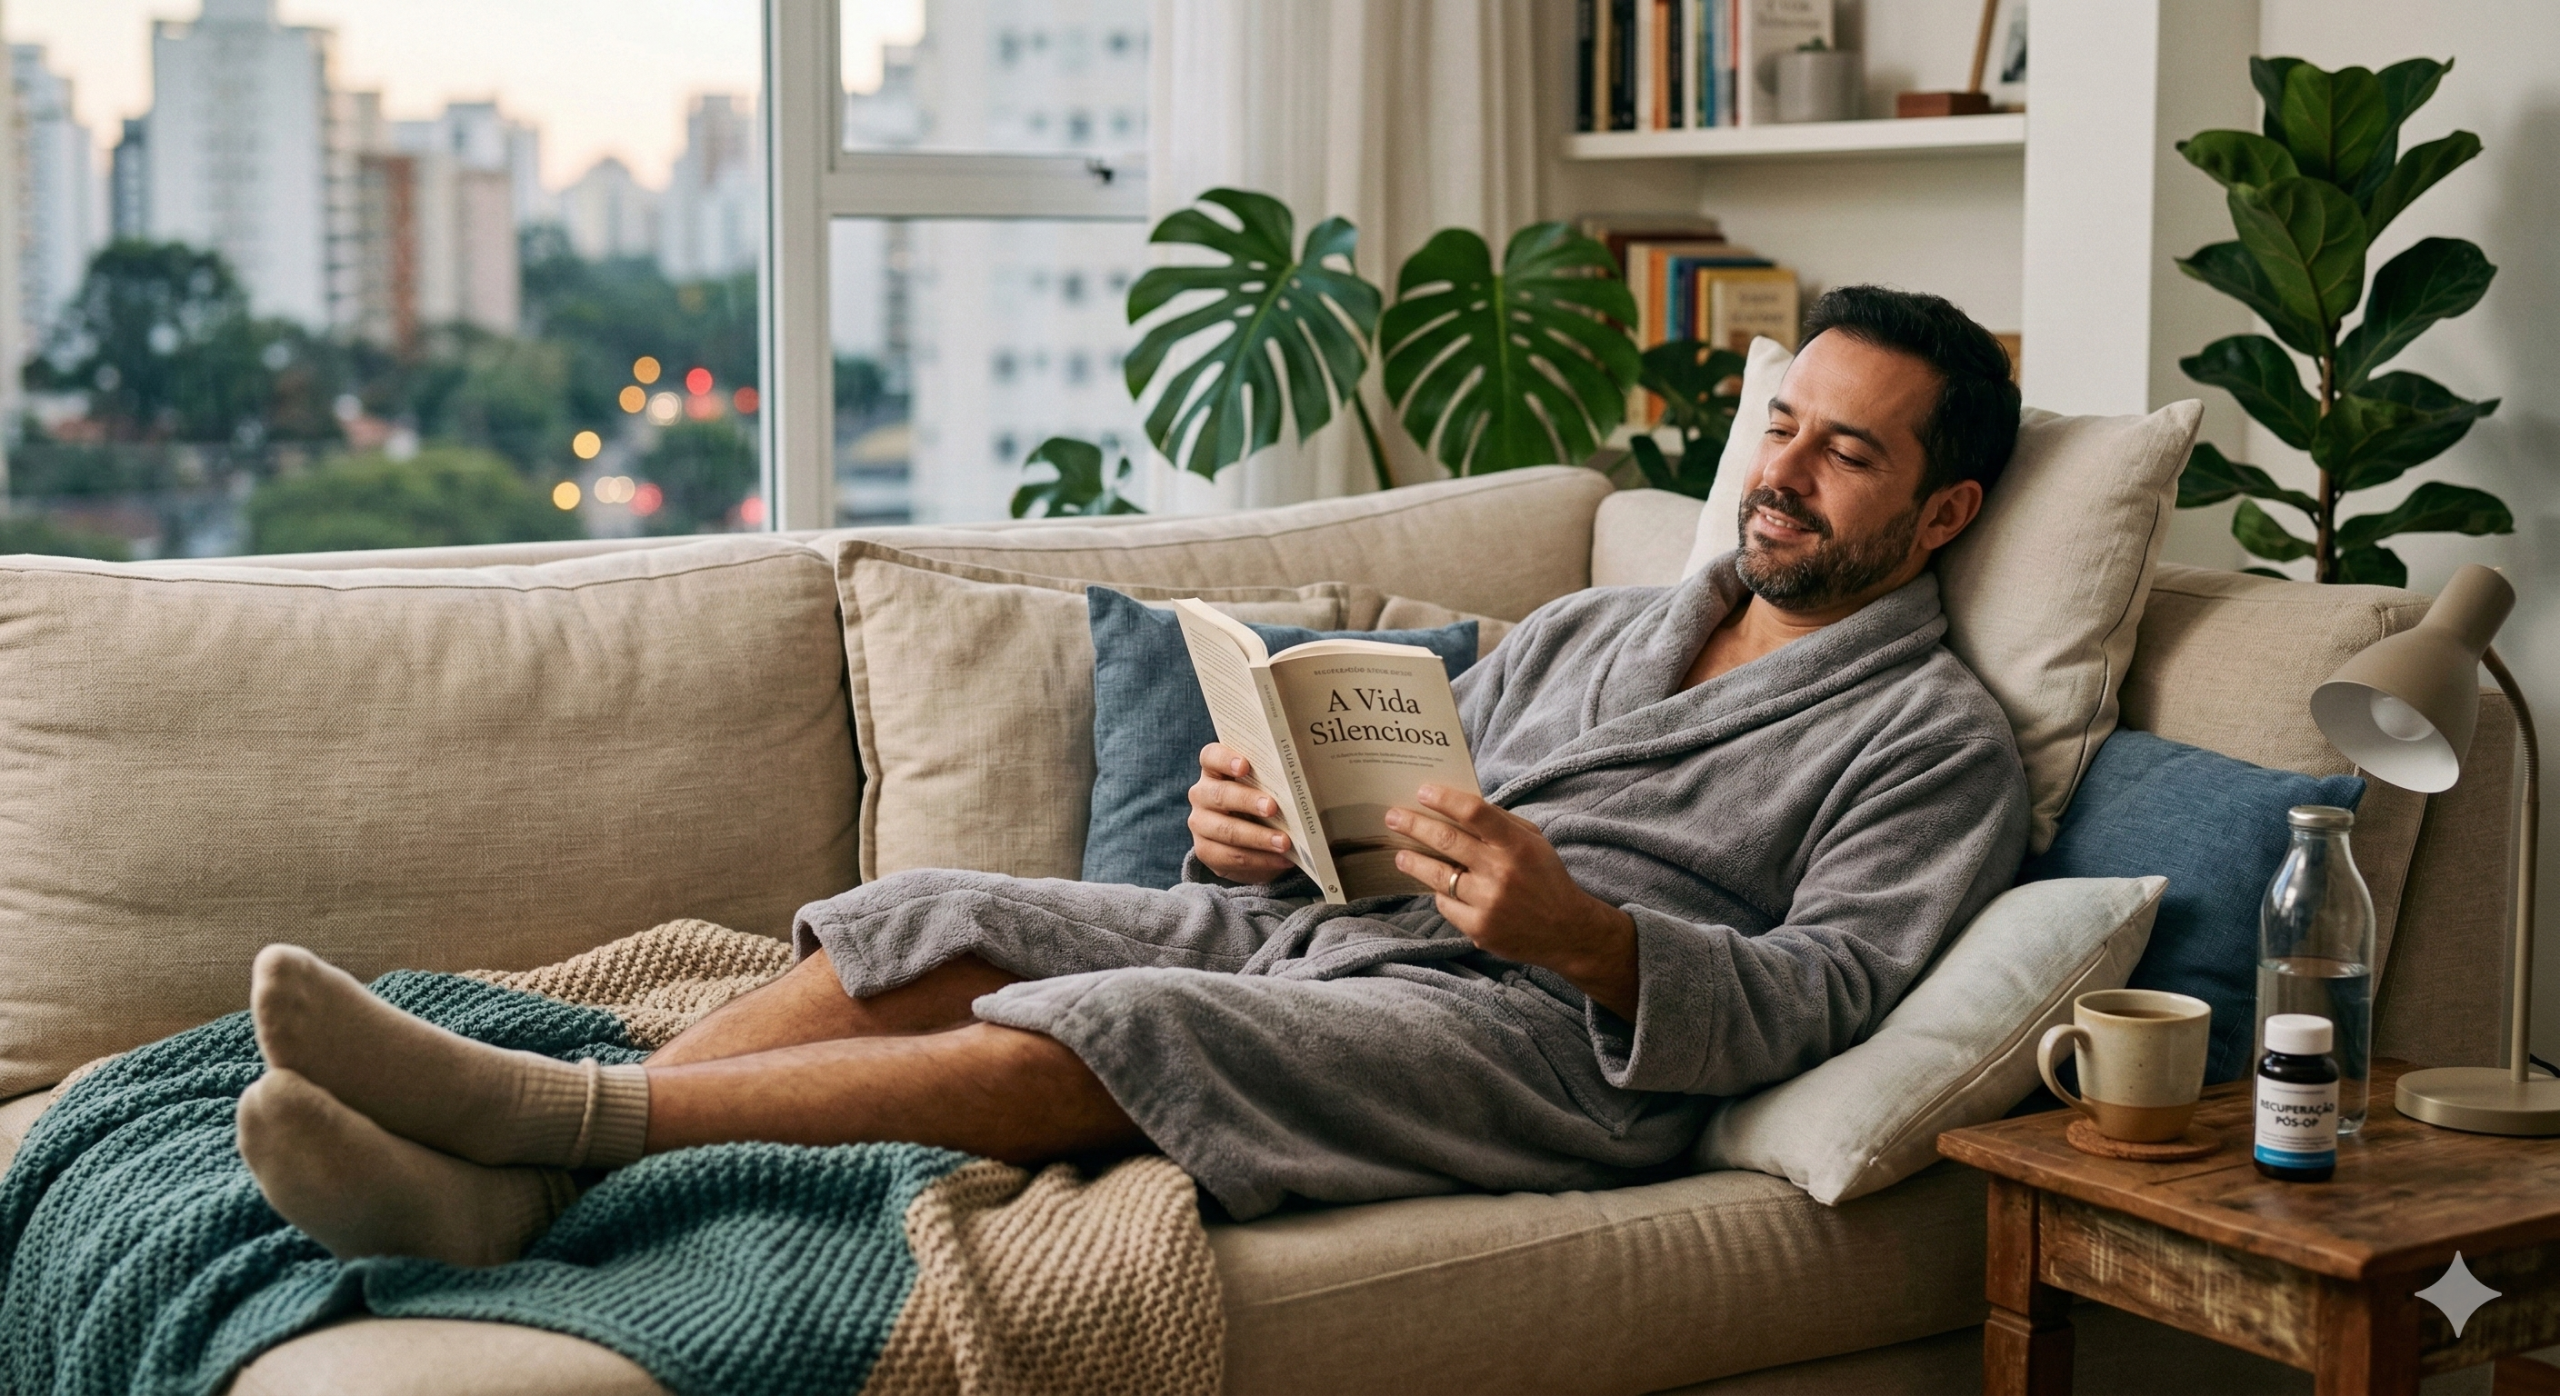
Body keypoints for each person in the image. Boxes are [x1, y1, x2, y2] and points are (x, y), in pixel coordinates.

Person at [234, 285, 2033, 1266]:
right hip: (1336, 943)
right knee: (937, 909)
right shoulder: (1600, 624)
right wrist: (1261, 830)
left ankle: (548, 1129)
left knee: (1142, 1024)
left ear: (1943, 509)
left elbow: (1832, 988)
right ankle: (519, 1184)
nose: (1781, 474)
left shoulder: (1931, 742)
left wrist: (1590, 941)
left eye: (1846, 455)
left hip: (1541, 1051)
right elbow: (1392, 797)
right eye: (1780, 426)